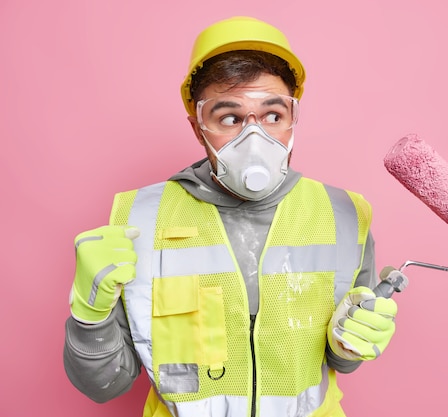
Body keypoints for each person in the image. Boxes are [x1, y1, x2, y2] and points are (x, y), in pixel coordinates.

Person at [63, 16, 402, 417]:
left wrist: (349, 340)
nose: (253, 137)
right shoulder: (141, 220)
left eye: (273, 115)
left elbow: (341, 362)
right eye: (229, 118)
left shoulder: (344, 216)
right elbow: (106, 385)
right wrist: (88, 316)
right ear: (198, 127)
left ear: (293, 119)